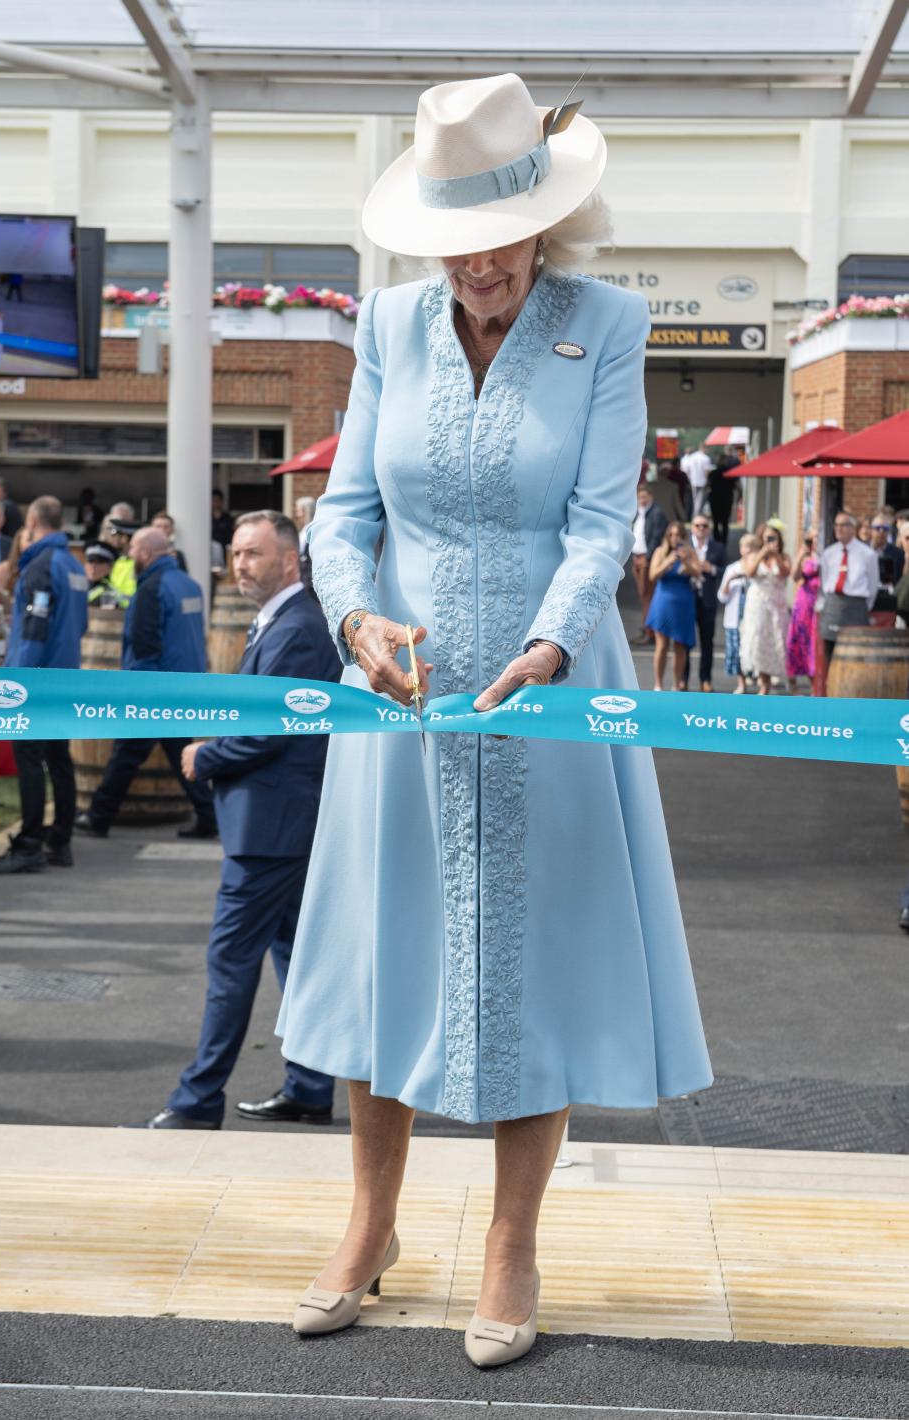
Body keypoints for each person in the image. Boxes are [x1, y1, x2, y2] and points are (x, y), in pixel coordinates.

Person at [276, 73, 711, 1368]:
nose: (475, 263)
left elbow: (598, 526)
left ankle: (513, 1242)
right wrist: (356, 620)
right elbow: (342, 513)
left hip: (554, 686)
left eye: (496, 234)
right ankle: (369, 1225)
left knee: (545, 955)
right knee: (383, 942)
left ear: (546, 221)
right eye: (449, 236)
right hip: (396, 695)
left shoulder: (609, 324)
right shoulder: (388, 324)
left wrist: (548, 644)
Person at [137, 512, 343, 1131]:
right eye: (234, 552)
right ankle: (309, 1087)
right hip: (277, 823)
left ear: (288, 560)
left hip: (271, 828)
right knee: (293, 956)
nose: (239, 564)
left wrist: (208, 754)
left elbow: (275, 725)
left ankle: (197, 1101)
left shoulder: (299, 627)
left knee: (230, 963)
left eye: (252, 553)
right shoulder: (283, 620)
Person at [73, 528, 217, 840]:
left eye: (134, 549)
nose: (129, 555)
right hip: (185, 685)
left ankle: (99, 817)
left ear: (148, 553)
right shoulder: (191, 586)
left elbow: (143, 647)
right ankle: (208, 816)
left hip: (156, 690)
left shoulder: (151, 589)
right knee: (177, 751)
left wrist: (136, 694)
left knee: (126, 754)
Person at [0, 496, 88, 875]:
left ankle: (28, 845)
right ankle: (59, 841)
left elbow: (33, 632)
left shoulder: (39, 566)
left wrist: (15, 685)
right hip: (65, 677)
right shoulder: (73, 566)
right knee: (59, 759)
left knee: (30, 761)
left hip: (37, 681)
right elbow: (82, 626)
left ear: (31, 520)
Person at [645, 521, 702, 691]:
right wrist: (667, 561)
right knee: (661, 644)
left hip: (683, 603)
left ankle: (677, 685)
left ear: (683, 537)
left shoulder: (690, 552)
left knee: (680, 644)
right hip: (663, 601)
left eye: (678, 535)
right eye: (671, 535)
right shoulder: (660, 552)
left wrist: (686, 561)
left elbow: (698, 573)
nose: (674, 538)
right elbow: (652, 576)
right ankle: (658, 684)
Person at [819, 511, 879, 667]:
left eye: (844, 525)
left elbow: (873, 586)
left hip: (856, 608)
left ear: (853, 528)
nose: (839, 529)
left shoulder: (868, 554)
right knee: (831, 655)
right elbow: (824, 582)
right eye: (836, 525)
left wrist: (861, 607)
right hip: (833, 607)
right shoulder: (828, 553)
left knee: (855, 657)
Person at [740, 526, 791, 694]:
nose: (770, 541)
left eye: (773, 538)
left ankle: (786, 681)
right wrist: (762, 553)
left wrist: (775, 555)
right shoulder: (754, 556)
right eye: (767, 538)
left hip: (777, 606)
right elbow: (749, 572)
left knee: (778, 641)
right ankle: (763, 682)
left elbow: (786, 572)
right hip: (758, 605)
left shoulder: (784, 557)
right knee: (759, 641)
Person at [683, 513, 726, 692]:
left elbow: (726, 569)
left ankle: (705, 679)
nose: (701, 529)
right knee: (684, 641)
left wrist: (712, 568)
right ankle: (682, 679)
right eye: (698, 525)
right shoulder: (684, 547)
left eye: (704, 526)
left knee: (707, 642)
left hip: (707, 600)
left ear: (709, 529)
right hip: (686, 600)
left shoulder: (718, 547)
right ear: (692, 527)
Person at [717, 533, 755, 694]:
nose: (748, 551)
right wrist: (730, 580)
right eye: (745, 547)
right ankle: (741, 682)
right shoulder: (733, 568)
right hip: (734, 617)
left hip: (752, 617)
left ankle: (756, 678)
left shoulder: (757, 569)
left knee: (752, 648)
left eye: (752, 547)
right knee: (735, 650)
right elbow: (722, 597)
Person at [630, 484, 667, 645]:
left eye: (645, 497)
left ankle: (649, 631)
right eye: (640, 497)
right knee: (643, 597)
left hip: (647, 559)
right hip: (637, 558)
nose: (642, 500)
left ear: (651, 497)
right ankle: (647, 628)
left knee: (647, 597)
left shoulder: (656, 513)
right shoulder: (639, 513)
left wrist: (649, 558)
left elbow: (657, 537)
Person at [785, 531, 821, 694]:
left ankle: (815, 684)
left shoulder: (825, 555)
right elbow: (795, 576)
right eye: (811, 539)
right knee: (799, 640)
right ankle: (793, 683)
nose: (813, 541)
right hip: (804, 603)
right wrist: (800, 556)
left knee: (814, 644)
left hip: (819, 603)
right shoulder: (805, 556)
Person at [102, 503, 140, 603]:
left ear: (124, 538)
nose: (111, 536)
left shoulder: (140, 562)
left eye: (114, 533)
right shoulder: (120, 560)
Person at [707, 447, 740, 546]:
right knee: (725, 522)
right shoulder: (730, 474)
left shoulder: (713, 473)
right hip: (726, 499)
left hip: (715, 499)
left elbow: (707, 486)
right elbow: (737, 487)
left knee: (716, 521)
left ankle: (717, 541)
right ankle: (724, 541)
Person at [84, 540, 130, 608]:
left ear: (110, 567)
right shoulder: (76, 585)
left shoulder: (111, 594)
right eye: (90, 561)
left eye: (99, 562)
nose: (93, 566)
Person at [680, 444, 713, 521]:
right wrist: (708, 482)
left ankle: (694, 517)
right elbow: (706, 472)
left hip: (692, 481)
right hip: (702, 482)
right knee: (699, 502)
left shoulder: (692, 457)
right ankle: (696, 517)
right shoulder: (706, 458)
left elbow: (687, 470)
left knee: (694, 501)